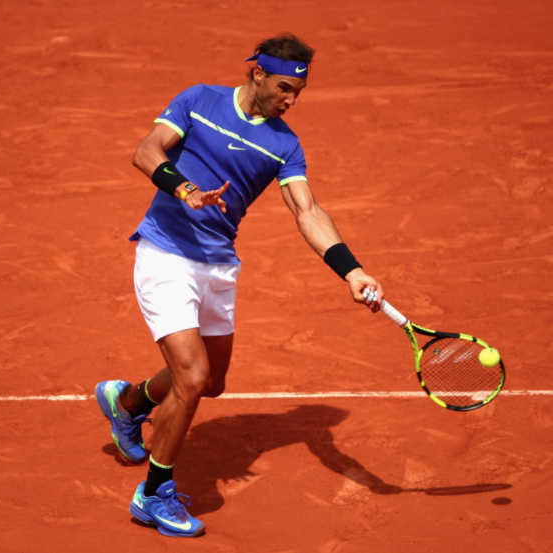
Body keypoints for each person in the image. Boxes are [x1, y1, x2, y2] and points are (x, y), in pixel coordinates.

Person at [94, 33, 385, 538]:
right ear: (256, 75)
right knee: (190, 378)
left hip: (218, 266)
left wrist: (352, 270)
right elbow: (146, 151)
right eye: (283, 88)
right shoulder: (199, 101)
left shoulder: (284, 144)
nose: (291, 100)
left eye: (299, 91)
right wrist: (182, 188)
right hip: (164, 254)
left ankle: (129, 403)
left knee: (211, 382)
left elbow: (307, 211)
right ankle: (154, 494)